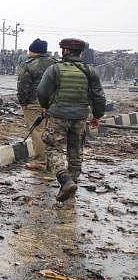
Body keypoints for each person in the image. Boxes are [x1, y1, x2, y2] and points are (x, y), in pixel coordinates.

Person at [37, 38, 106, 202]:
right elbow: (99, 97)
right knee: (75, 152)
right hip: (81, 117)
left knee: (53, 149)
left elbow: (41, 92)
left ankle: (65, 181)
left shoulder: (54, 69)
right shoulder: (90, 71)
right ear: (81, 52)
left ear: (65, 51)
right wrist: (97, 116)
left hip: (58, 115)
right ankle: (71, 189)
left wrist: (45, 106)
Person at [17, 38, 56, 171]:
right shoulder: (55, 64)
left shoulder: (29, 65)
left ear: (34, 51)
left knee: (37, 132)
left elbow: (23, 86)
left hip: (34, 103)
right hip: (53, 104)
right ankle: (52, 161)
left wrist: (23, 103)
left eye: (30, 50)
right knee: (50, 132)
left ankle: (40, 162)